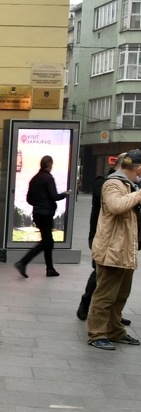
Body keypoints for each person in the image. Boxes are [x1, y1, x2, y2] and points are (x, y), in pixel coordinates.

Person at [85, 150, 141, 350]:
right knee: (105, 296)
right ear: (139, 168)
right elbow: (116, 206)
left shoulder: (132, 185)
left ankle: (115, 331)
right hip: (112, 251)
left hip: (125, 250)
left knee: (121, 296)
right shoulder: (113, 183)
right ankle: (97, 334)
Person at [77, 154, 132, 326]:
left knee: (118, 281)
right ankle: (86, 302)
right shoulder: (105, 182)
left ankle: (113, 317)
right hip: (101, 235)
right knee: (100, 273)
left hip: (121, 239)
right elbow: (114, 205)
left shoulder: (130, 184)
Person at [14, 155, 70, 278]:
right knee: (46, 241)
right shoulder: (48, 178)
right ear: (49, 164)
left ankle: (50, 269)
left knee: (48, 241)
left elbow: (29, 199)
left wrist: (38, 204)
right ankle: (23, 262)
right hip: (46, 214)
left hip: (37, 214)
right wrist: (65, 194)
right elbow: (54, 196)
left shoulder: (34, 179)